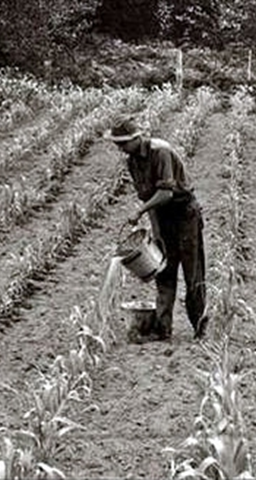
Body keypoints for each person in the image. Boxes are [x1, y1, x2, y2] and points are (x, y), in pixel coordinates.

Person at [105, 116, 208, 343]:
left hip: (184, 215)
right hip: (163, 217)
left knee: (193, 274)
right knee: (164, 272)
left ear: (136, 138)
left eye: (123, 143)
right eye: (117, 144)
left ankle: (200, 328)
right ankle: (163, 329)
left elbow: (166, 193)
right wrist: (157, 232)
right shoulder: (132, 162)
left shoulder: (160, 152)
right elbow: (150, 197)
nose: (120, 148)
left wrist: (140, 211)